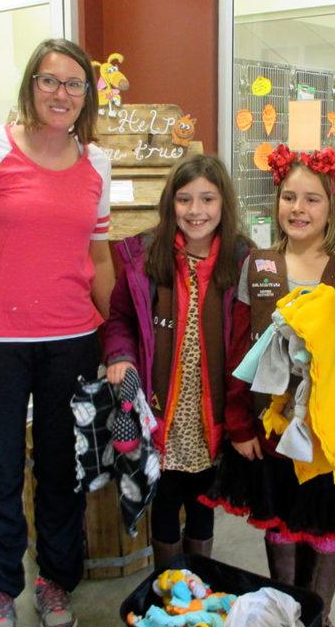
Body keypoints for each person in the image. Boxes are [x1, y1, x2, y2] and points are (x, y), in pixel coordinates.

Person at [0, 38, 114, 627]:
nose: (61, 93)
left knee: (61, 470)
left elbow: (96, 254)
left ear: (87, 95)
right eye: (50, 81)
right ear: (30, 85)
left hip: (72, 339)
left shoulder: (97, 162)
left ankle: (55, 582)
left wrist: (116, 335)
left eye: (74, 84)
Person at [203, 143, 335, 627]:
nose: (299, 210)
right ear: (277, 202)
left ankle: (318, 617)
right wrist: (239, 422)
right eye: (289, 198)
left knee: (326, 528)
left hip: (332, 433)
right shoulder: (259, 266)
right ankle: (284, 615)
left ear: (332, 207)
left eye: (312, 200)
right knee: (283, 522)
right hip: (273, 428)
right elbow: (240, 350)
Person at [102, 154, 252, 569]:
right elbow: (120, 320)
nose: (196, 211)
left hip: (211, 412)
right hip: (160, 408)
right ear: (171, 203)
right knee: (164, 500)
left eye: (207, 199)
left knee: (203, 501)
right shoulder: (144, 256)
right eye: (185, 200)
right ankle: (167, 583)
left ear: (224, 204)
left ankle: (198, 579)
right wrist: (120, 356)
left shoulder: (242, 259)